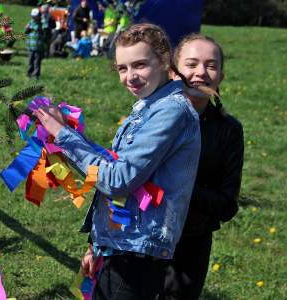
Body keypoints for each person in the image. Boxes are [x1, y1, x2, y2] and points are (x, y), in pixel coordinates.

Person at [34, 23, 201, 299]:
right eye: (123, 68)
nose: (130, 77)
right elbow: (114, 166)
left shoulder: (171, 112)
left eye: (139, 65)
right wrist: (97, 245)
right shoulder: (150, 107)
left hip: (137, 253)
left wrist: (62, 135)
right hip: (121, 246)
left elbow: (117, 180)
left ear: (163, 61)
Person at [159, 34, 244, 300]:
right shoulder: (151, 117)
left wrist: (180, 187)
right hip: (137, 238)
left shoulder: (229, 131)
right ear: (174, 72)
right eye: (192, 64)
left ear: (221, 76)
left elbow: (227, 204)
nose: (201, 73)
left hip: (191, 245)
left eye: (211, 65)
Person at [25, 8, 45, 80]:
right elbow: (25, 32)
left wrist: (42, 30)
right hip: (31, 46)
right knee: (30, 61)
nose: (34, 18)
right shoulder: (30, 23)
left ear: (39, 16)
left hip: (39, 47)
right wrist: (27, 29)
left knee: (37, 62)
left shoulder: (42, 24)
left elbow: (45, 34)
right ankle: (29, 74)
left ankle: (36, 75)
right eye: (33, 16)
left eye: (35, 16)